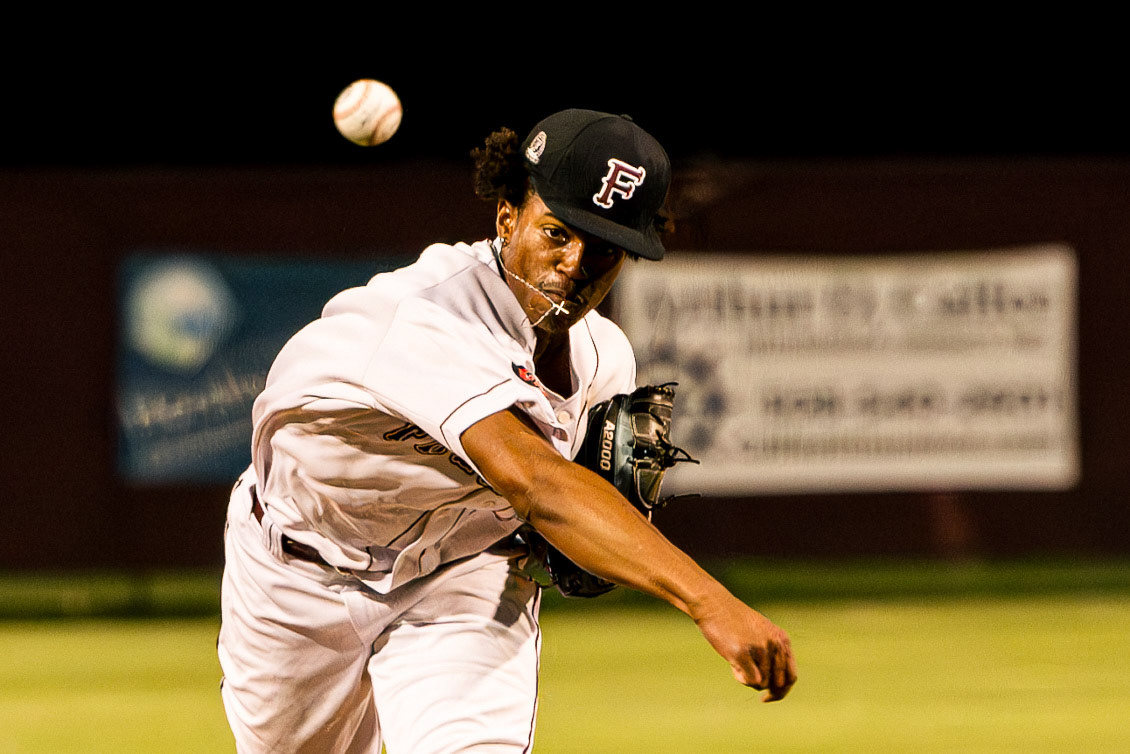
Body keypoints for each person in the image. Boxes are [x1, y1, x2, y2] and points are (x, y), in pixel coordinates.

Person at [217, 108, 797, 753]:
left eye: (604, 248)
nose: (575, 264)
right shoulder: (428, 318)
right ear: (507, 217)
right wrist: (709, 601)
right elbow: (535, 482)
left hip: (462, 573)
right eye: (557, 232)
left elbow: (554, 508)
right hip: (298, 571)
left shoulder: (604, 357)